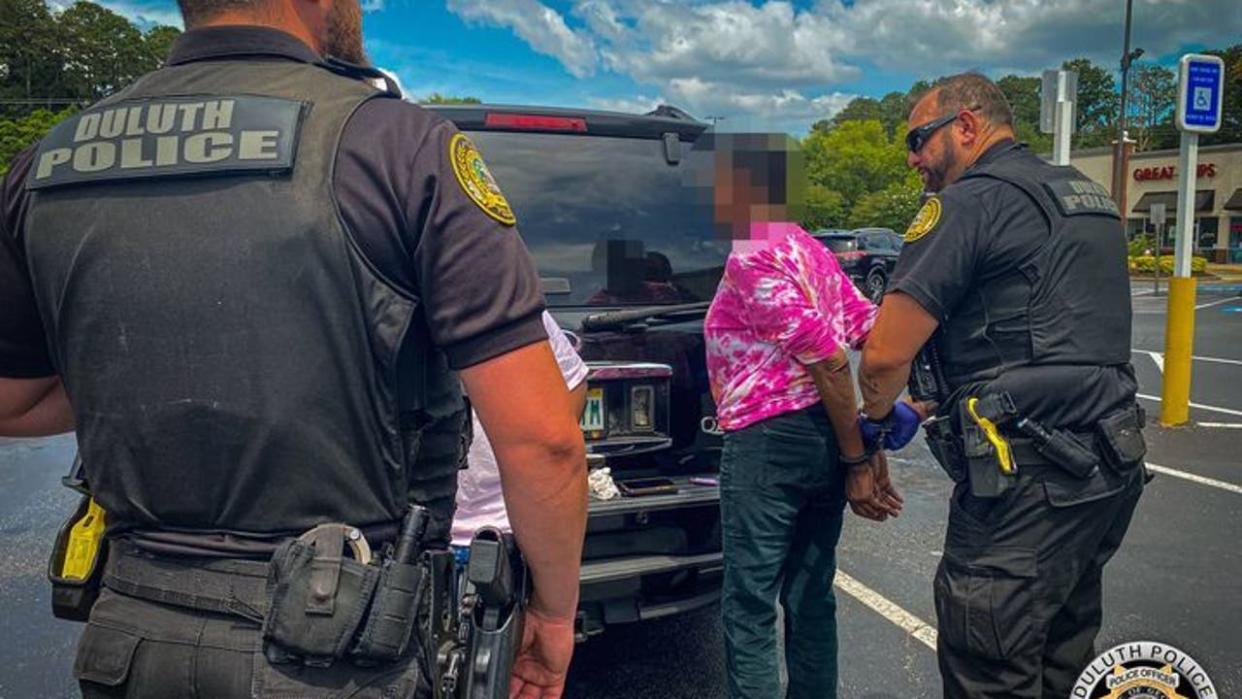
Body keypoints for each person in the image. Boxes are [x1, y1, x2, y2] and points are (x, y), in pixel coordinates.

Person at [0, 0, 588, 696]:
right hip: (346, 642)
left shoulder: (49, 161)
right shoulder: (396, 147)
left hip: (132, 639)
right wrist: (552, 615)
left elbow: (15, 400)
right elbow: (544, 440)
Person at [858, 73, 1146, 699]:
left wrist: (873, 424)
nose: (913, 159)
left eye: (918, 139)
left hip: (1025, 482)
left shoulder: (970, 202)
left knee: (987, 661)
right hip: (1105, 465)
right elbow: (1044, 330)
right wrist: (931, 401)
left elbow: (882, 356)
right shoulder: (1084, 194)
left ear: (966, 125)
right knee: (1060, 657)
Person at [702, 133, 903, 699]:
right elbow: (871, 328)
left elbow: (833, 359)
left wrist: (861, 456)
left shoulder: (751, 253)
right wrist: (864, 436)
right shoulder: (810, 249)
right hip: (820, 436)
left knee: (750, 602)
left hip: (769, 441)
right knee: (812, 593)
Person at [452, 311, 588, 549]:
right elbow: (558, 445)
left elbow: (571, 387)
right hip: (510, 531)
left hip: (396, 539)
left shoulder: (375, 299)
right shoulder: (509, 304)